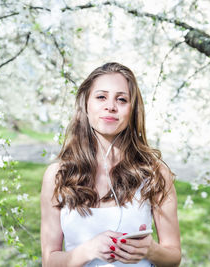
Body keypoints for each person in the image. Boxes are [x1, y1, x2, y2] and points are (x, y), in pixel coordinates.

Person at [40, 62, 181, 267]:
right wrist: (88, 250)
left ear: (132, 110)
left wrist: (151, 250)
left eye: (121, 99)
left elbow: (174, 257)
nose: (111, 106)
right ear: (86, 104)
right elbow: (49, 261)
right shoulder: (58, 175)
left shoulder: (155, 173)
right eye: (101, 97)